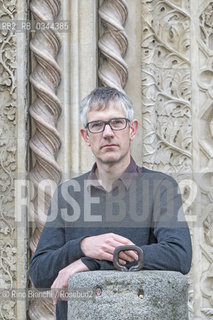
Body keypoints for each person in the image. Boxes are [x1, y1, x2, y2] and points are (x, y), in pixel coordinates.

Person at [30, 87, 192, 319]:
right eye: (97, 125)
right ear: (86, 136)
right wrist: (82, 246)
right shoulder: (67, 194)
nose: (107, 133)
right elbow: (39, 273)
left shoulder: (160, 186)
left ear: (132, 129)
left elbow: (179, 255)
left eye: (117, 123)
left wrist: (93, 261)